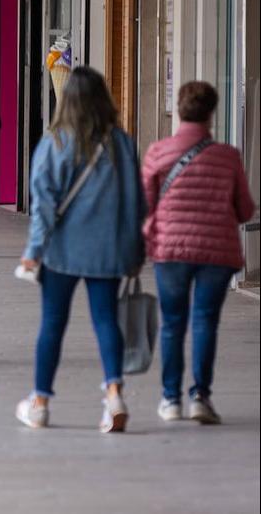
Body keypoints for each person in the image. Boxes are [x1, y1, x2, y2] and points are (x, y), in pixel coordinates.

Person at [14, 67, 145, 433]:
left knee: (53, 324)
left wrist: (33, 250)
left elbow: (43, 203)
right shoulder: (121, 142)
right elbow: (137, 201)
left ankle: (39, 403)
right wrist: (135, 249)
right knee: (106, 320)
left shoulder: (55, 141)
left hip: (61, 252)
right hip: (108, 250)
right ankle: (114, 395)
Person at [142, 81, 255, 425]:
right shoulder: (228, 156)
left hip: (171, 251)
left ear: (180, 110)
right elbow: (246, 210)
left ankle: (170, 399)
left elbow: (145, 205)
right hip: (216, 253)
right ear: (211, 113)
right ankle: (200, 397)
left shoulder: (159, 152)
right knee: (206, 322)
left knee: (173, 324)